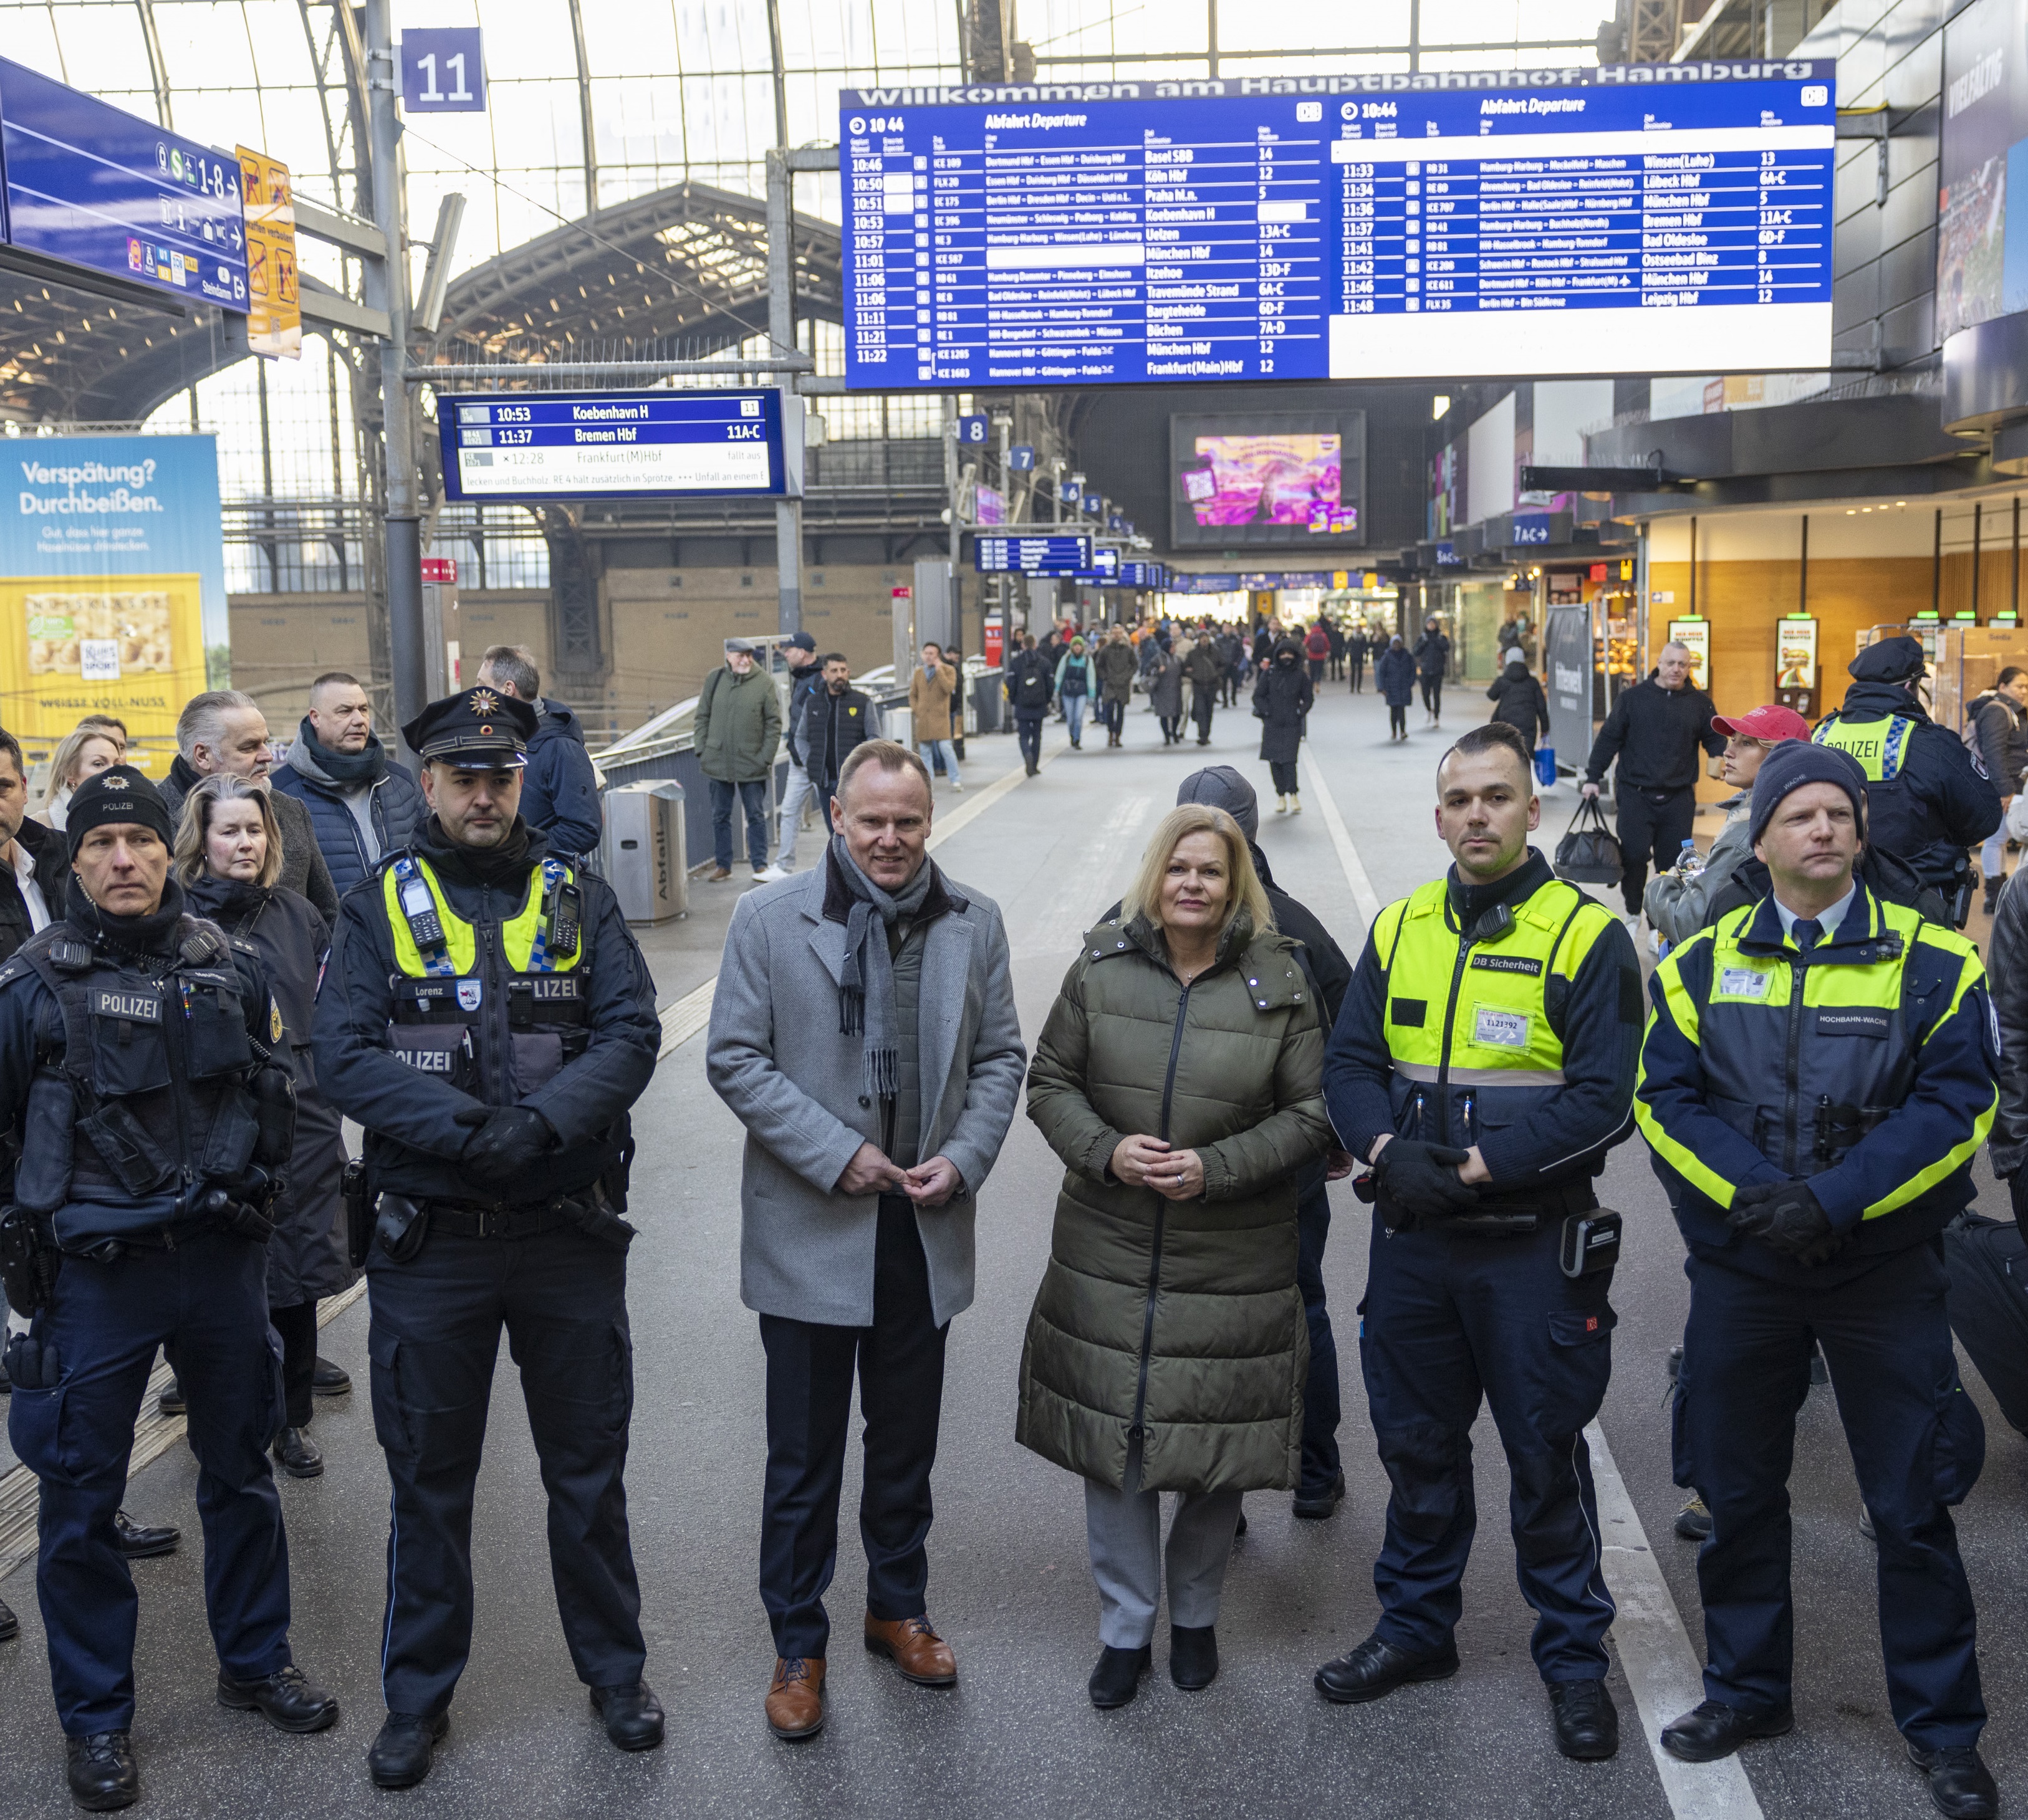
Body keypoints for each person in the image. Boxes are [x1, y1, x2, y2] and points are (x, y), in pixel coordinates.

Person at [1633, 740, 2000, 1819]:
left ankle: (1941, 1733)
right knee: (1737, 1493)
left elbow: (1955, 1109)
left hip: (1881, 1276)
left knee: (1909, 1507)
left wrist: (1833, 1200)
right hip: (1745, 1272)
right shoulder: (1697, 966)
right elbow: (1664, 1101)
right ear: (1761, 839)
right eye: (1799, 815)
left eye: (1838, 813)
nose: (1823, 829)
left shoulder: (1935, 962)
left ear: (1861, 832)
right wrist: (1761, 1197)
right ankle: (1746, 1690)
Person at [314, 686, 663, 1789]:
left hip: (564, 1231)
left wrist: (546, 1124)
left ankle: (615, 1676)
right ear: (427, 785)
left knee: (587, 1475)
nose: (482, 793)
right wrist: (472, 1133)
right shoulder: (377, 905)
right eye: (461, 776)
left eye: (499, 776)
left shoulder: (578, 894)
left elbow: (632, 1030)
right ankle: (417, 1701)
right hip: (436, 1244)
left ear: (522, 780)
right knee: (427, 1484)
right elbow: (345, 1054)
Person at [0, 765, 338, 1809]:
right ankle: (97, 1721)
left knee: (239, 1476)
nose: (122, 859)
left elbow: (274, 1096)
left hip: (219, 1265)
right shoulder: (29, 985)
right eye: (100, 844)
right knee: (79, 1502)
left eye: (140, 842)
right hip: (93, 1280)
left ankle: (253, 1662)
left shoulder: (225, 965)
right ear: (79, 858)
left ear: (166, 849)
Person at [1314, 722, 1641, 1764]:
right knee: (1415, 1450)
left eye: (1495, 797)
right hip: (1415, 1250)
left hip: (1529, 1251)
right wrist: (1378, 1144)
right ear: (1439, 813)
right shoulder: (1402, 925)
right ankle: (1416, 1630)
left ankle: (1575, 1661)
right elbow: (1349, 1061)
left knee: (1545, 1456)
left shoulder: (1583, 937)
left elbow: (1604, 1102)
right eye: (1458, 800)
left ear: (1530, 809)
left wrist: (1468, 1168)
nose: (1475, 816)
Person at [705, 740, 1026, 1741]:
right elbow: (734, 1057)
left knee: (904, 1447)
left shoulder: (974, 922)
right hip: (813, 1225)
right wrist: (834, 1151)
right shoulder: (768, 919)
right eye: (872, 821)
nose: (890, 840)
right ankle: (798, 1642)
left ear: (930, 823)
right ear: (836, 819)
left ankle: (897, 1606)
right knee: (803, 1459)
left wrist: (965, 1158)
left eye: (909, 822)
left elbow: (1000, 1055)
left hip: (920, 1228)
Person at [1021, 801, 1330, 1708]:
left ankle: (1194, 1619)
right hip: (1108, 1247)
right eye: (1178, 869)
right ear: (1154, 876)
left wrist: (1218, 1168)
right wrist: (1106, 1150)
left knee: (1211, 1452)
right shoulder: (1103, 963)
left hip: (1231, 1256)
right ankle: (1126, 1629)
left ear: (1238, 886)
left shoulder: (1280, 979)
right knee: (1115, 1451)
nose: (1192, 885)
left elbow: (1313, 1115)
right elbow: (1051, 1081)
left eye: (1212, 872)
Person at [1174, 767, 1357, 1518]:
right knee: (1298, 1305)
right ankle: (1315, 1468)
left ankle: (1218, 1490)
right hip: (1288, 1160)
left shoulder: (1151, 919)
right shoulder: (1299, 923)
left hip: (1187, 1162)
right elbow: (1351, 1032)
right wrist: (1337, 1131)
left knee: (1197, 1317)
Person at [175, 777, 353, 1481]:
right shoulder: (178, 920)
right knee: (220, 1277)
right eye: (229, 831)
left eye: (254, 831)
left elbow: (326, 1013)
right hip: (216, 1120)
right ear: (202, 841)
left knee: (298, 1274)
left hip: (302, 1116)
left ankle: (293, 1420)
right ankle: (219, 1414)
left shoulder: (298, 915)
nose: (244, 842)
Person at [1810, 635, 2001, 925]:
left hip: (1827, 900)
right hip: (1916, 902)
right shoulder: (1928, 742)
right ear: (1911, 686)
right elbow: (1984, 818)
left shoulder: (1819, 736)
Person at [161, 692, 340, 925]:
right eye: (249, 747)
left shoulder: (290, 811)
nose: (267, 756)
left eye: (265, 742)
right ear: (203, 756)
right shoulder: (152, 819)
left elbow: (328, 917)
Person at [1580, 642, 1724, 927]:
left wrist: (1723, 765)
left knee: (1672, 866)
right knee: (1634, 857)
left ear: (1689, 668)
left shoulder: (1700, 703)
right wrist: (1592, 777)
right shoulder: (1633, 699)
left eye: (1683, 664)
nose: (1676, 669)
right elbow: (1609, 738)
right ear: (1658, 663)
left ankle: (1658, 924)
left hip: (1678, 797)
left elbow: (1715, 741)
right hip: (1636, 794)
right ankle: (1633, 910)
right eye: (1671, 663)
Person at [1645, 705, 1809, 947]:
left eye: (1746, 744)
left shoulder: (1745, 836)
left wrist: (1661, 886)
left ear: (1780, 755)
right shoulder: (1800, 811)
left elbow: (1688, 926)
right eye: (1732, 740)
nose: (1728, 752)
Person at [269, 671, 426, 898]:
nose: (359, 720)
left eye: (363, 709)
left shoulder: (401, 782)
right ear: (315, 718)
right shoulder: (280, 794)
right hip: (331, 932)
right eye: (345, 711)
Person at [473, 646, 603, 863]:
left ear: (507, 689)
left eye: (482, 685)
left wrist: (521, 853)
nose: (476, 693)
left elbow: (583, 829)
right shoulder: (503, 739)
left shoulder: (561, 748)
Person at [694, 638, 782, 884]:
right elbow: (702, 715)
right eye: (740, 655)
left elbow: (774, 724)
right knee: (720, 816)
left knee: (755, 814)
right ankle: (724, 865)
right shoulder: (715, 679)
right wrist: (702, 749)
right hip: (718, 760)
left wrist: (765, 757)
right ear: (729, 656)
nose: (746, 660)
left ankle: (760, 865)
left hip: (751, 762)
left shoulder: (764, 682)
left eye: (749, 655)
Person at [1965, 665, 2028, 914]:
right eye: (2019, 686)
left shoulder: (2013, 712)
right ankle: (1995, 895)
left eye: (2027, 687)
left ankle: (2002, 895)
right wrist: (2005, 790)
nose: (2024, 691)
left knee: (2001, 838)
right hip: (2004, 786)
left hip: (2013, 785)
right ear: (2002, 687)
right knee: (1998, 838)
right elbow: (1994, 753)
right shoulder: (1997, 712)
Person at [798, 653, 878, 826]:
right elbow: (801, 737)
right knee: (834, 832)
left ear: (848, 672)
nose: (840, 675)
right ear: (824, 674)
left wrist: (863, 766)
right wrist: (810, 761)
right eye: (834, 670)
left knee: (855, 829)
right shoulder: (813, 703)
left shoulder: (862, 702)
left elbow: (874, 738)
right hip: (825, 781)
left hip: (854, 781)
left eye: (843, 670)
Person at [769, 631, 825, 876]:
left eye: (789, 651)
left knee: (838, 814)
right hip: (798, 760)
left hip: (820, 760)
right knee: (790, 810)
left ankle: (850, 866)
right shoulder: (802, 678)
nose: (786, 656)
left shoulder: (821, 680)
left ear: (802, 653)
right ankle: (783, 865)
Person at [1252, 636, 1313, 815]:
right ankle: (1280, 796)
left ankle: (1293, 794)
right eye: (1283, 654)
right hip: (1272, 724)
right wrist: (1267, 711)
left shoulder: (1301, 676)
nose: (1286, 657)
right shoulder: (1269, 674)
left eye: (1290, 654)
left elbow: (1308, 699)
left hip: (1292, 725)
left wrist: (1299, 712)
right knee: (1274, 762)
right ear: (1278, 655)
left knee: (1289, 761)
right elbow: (1258, 696)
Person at [37, 726, 121, 832]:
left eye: (117, 764)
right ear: (70, 773)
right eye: (99, 764)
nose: (113, 771)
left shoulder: (132, 820)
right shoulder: (37, 825)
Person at [909, 641, 963, 792]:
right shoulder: (919, 672)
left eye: (932, 654)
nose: (929, 657)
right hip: (924, 718)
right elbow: (913, 694)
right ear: (922, 655)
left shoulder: (949, 670)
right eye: (926, 653)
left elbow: (948, 688)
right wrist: (916, 709)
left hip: (941, 718)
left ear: (938, 655)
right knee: (925, 751)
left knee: (946, 748)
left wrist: (939, 670)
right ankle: (928, 781)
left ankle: (955, 779)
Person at [1005, 632, 1054, 776]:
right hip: (1040, 704)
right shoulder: (1044, 662)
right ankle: (1035, 765)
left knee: (1024, 735)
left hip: (1022, 704)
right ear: (1035, 645)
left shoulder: (1016, 663)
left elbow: (1011, 684)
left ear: (1023, 645)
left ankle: (1027, 754)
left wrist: (1014, 700)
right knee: (1037, 735)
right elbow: (1050, 684)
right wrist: (1047, 700)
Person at [1485, 654, 1550, 753]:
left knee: (1508, 752)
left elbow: (1491, 696)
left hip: (1506, 722)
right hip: (1528, 723)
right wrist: (1545, 728)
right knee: (1526, 754)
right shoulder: (1533, 682)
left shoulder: (1502, 681)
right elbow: (1541, 707)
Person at [1097, 626, 1138, 748]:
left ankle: (1118, 735)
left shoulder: (1128, 650)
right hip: (1110, 683)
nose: (1116, 636)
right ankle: (1110, 733)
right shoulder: (1106, 650)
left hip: (1123, 684)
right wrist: (1105, 677)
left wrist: (1128, 676)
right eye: (1114, 633)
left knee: (1121, 711)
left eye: (1119, 633)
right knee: (1109, 709)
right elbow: (1099, 665)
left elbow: (1135, 665)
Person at [1055, 634, 1095, 750]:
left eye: (1079, 645)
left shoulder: (1087, 660)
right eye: (1075, 645)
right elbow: (1060, 674)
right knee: (1070, 718)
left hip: (1081, 692)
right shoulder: (1066, 659)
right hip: (1068, 692)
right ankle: (1072, 734)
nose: (1077, 648)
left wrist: (1091, 694)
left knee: (1078, 717)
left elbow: (1091, 677)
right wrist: (1056, 689)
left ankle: (1077, 738)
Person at [1184, 631, 1223, 747]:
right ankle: (1202, 735)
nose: (1204, 640)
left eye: (1206, 638)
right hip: (1198, 685)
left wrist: (1216, 674)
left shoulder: (1216, 652)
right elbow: (1186, 668)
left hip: (1211, 685)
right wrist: (1193, 675)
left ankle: (1206, 734)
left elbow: (1223, 665)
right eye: (1202, 638)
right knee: (1200, 710)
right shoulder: (1193, 654)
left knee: (1209, 710)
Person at [1413, 616, 1451, 726]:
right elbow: (1416, 651)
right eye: (1429, 623)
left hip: (1438, 670)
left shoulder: (1441, 636)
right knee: (1425, 693)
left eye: (1433, 623)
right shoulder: (1423, 637)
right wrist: (1423, 643)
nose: (1431, 625)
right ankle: (1429, 710)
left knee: (1437, 695)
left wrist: (1438, 641)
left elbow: (1447, 648)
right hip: (1425, 670)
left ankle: (1436, 717)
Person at [1377, 633, 1416, 740]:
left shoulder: (1407, 656)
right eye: (1394, 643)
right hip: (1391, 688)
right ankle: (1394, 732)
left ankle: (1403, 731)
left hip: (1404, 687)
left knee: (1402, 711)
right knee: (1393, 711)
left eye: (1398, 643)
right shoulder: (1387, 657)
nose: (1396, 645)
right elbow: (1381, 673)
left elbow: (1413, 670)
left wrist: (1411, 682)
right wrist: (1382, 687)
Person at [1150, 638, 1186, 745]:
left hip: (1176, 689)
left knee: (1177, 714)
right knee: (1164, 714)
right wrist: (1157, 671)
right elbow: (1149, 670)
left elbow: (1183, 671)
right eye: (1172, 646)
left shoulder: (1178, 659)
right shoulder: (1157, 659)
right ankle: (1166, 735)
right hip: (1162, 690)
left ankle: (1174, 733)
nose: (1174, 649)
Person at [1305, 620, 1331, 691]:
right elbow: (1328, 645)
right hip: (1321, 657)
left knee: (1312, 671)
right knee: (1319, 671)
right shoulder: (1323, 635)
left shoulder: (1310, 634)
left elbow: (1305, 643)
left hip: (1311, 656)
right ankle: (1317, 684)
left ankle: (1312, 684)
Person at [1346, 625, 1369, 694]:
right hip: (1353, 656)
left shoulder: (1363, 637)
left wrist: (1366, 656)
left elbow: (1366, 647)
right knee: (1353, 672)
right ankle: (1352, 687)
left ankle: (1359, 688)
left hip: (1360, 656)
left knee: (1360, 673)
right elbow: (1348, 646)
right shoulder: (1352, 637)